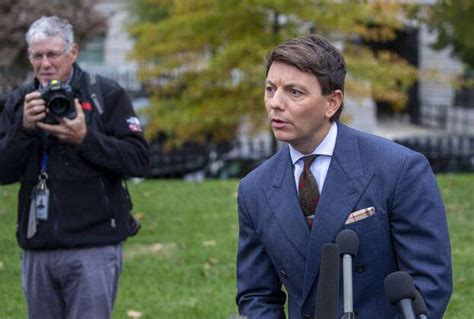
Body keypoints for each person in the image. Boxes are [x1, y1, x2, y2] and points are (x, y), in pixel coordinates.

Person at [235, 35, 452, 318]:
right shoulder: (254, 189)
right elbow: (257, 296)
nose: (275, 103)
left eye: (294, 92)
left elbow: (428, 284)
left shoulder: (399, 169)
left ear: (332, 102)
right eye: (270, 89)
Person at [0, 16, 149, 318]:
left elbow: (138, 160)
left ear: (73, 52)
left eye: (53, 54)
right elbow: (3, 172)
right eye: (37, 55)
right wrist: (24, 128)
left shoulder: (105, 94)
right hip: (37, 245)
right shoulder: (19, 101)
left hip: (93, 245)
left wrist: (85, 138)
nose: (44, 63)